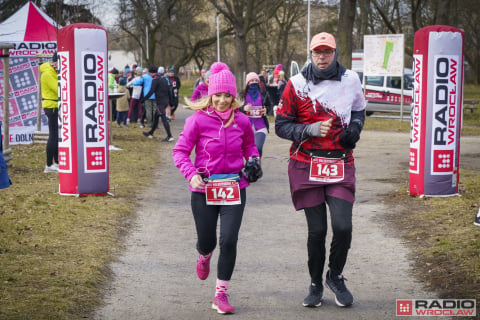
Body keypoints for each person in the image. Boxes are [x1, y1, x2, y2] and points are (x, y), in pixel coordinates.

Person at [275, 32, 366, 308]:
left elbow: (360, 111)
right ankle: (315, 283)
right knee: (317, 231)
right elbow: (280, 126)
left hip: (339, 162)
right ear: (311, 54)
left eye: (327, 52)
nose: (322, 57)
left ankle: (335, 276)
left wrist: (355, 130)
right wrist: (309, 129)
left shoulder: (351, 80)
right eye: (318, 52)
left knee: (343, 226)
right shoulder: (296, 84)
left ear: (335, 53)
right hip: (306, 163)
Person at [172, 62, 262, 315]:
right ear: (210, 94)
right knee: (208, 240)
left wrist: (253, 161)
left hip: (234, 187)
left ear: (234, 97)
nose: (222, 100)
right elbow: (179, 152)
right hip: (204, 190)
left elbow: (249, 148)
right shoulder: (197, 121)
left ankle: (220, 294)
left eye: (227, 95)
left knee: (230, 240)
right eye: (218, 95)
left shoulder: (243, 121)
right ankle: (203, 254)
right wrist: (191, 175)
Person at [240, 72, 270, 158]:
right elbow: (236, 108)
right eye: (251, 81)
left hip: (260, 126)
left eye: (255, 80)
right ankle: (250, 166)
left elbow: (269, 105)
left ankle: (256, 165)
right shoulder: (242, 94)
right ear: (247, 83)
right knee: (246, 149)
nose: (253, 82)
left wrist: (266, 109)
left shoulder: (263, 93)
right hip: (246, 126)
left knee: (258, 147)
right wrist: (243, 108)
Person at [141, 66, 175, 141]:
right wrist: (171, 102)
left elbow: (151, 91)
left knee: (163, 119)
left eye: (149, 72)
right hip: (165, 101)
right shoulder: (164, 79)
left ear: (151, 73)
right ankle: (151, 133)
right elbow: (169, 91)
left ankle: (169, 136)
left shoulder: (155, 80)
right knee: (156, 117)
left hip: (160, 102)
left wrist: (143, 99)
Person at [40, 52, 59, 173]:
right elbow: (58, 89)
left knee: (57, 136)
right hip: (51, 106)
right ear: (55, 62)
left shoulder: (53, 71)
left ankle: (57, 163)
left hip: (55, 105)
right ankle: (48, 165)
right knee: (53, 135)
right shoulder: (48, 73)